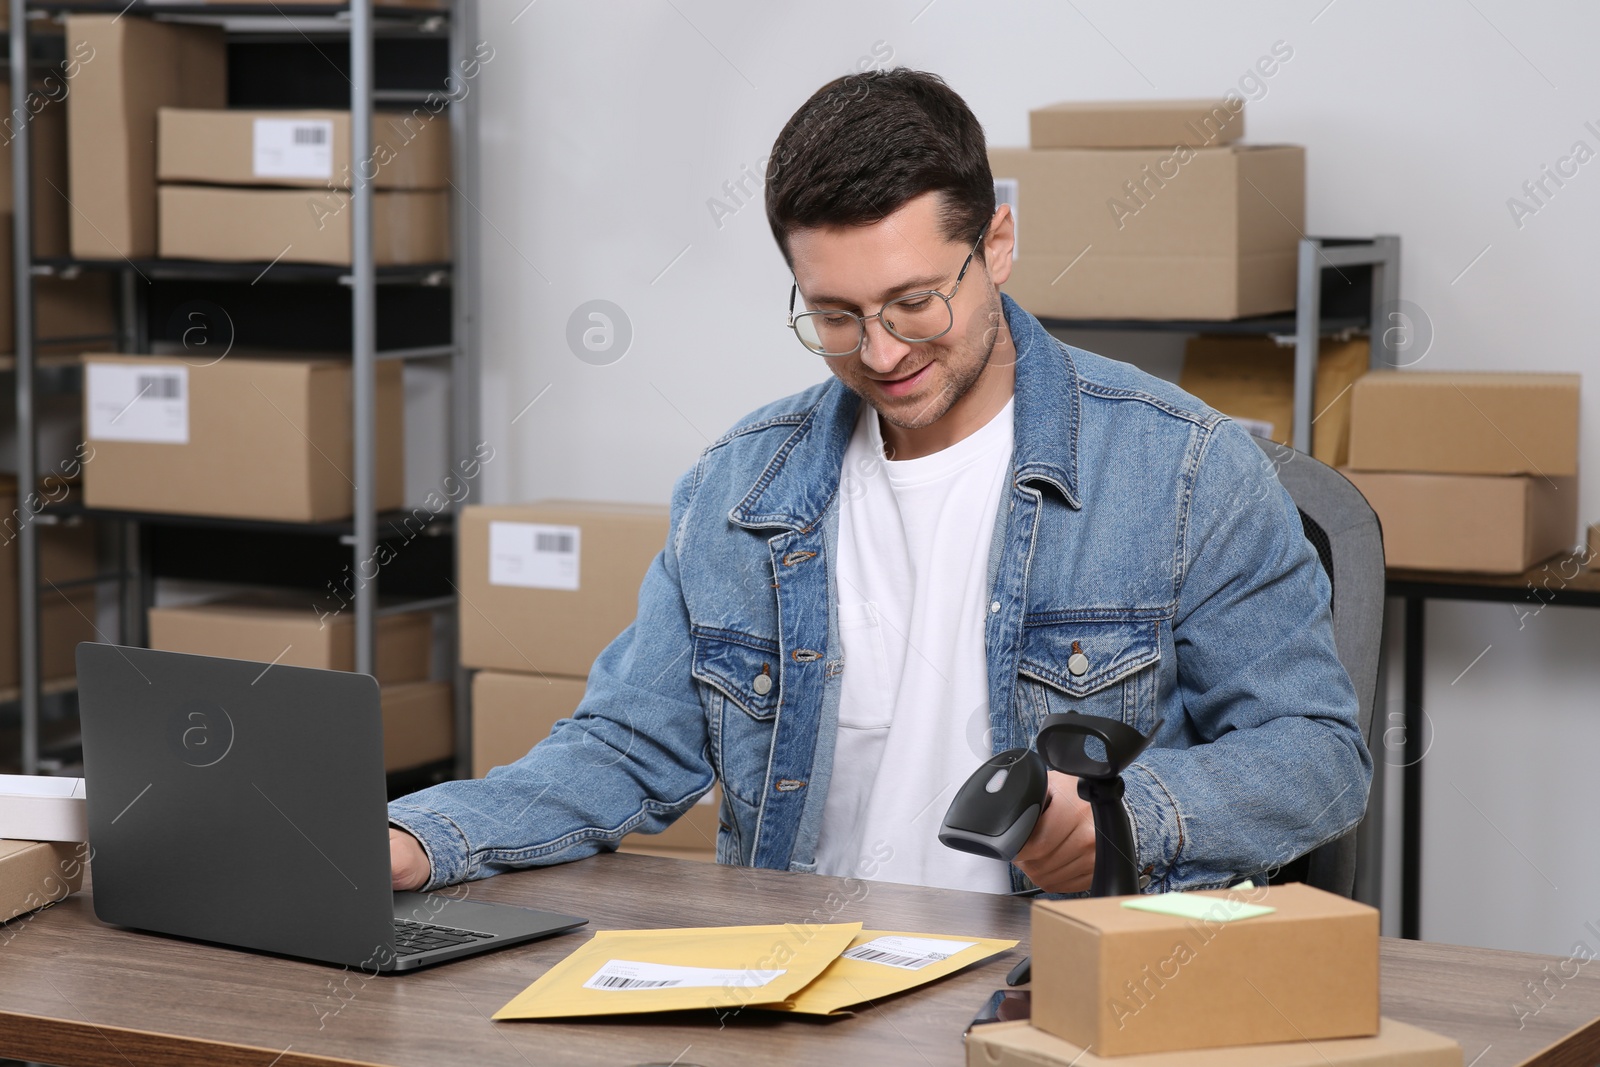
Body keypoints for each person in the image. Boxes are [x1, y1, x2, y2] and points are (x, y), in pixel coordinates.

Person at [388, 69, 1370, 898]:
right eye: (834, 315)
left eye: (913, 301)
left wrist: (1133, 813)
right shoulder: (738, 487)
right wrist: (417, 837)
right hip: (798, 993)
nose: (881, 350)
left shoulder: (1186, 469)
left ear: (997, 245)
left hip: (1059, 994)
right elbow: (623, 749)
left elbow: (1318, 756)